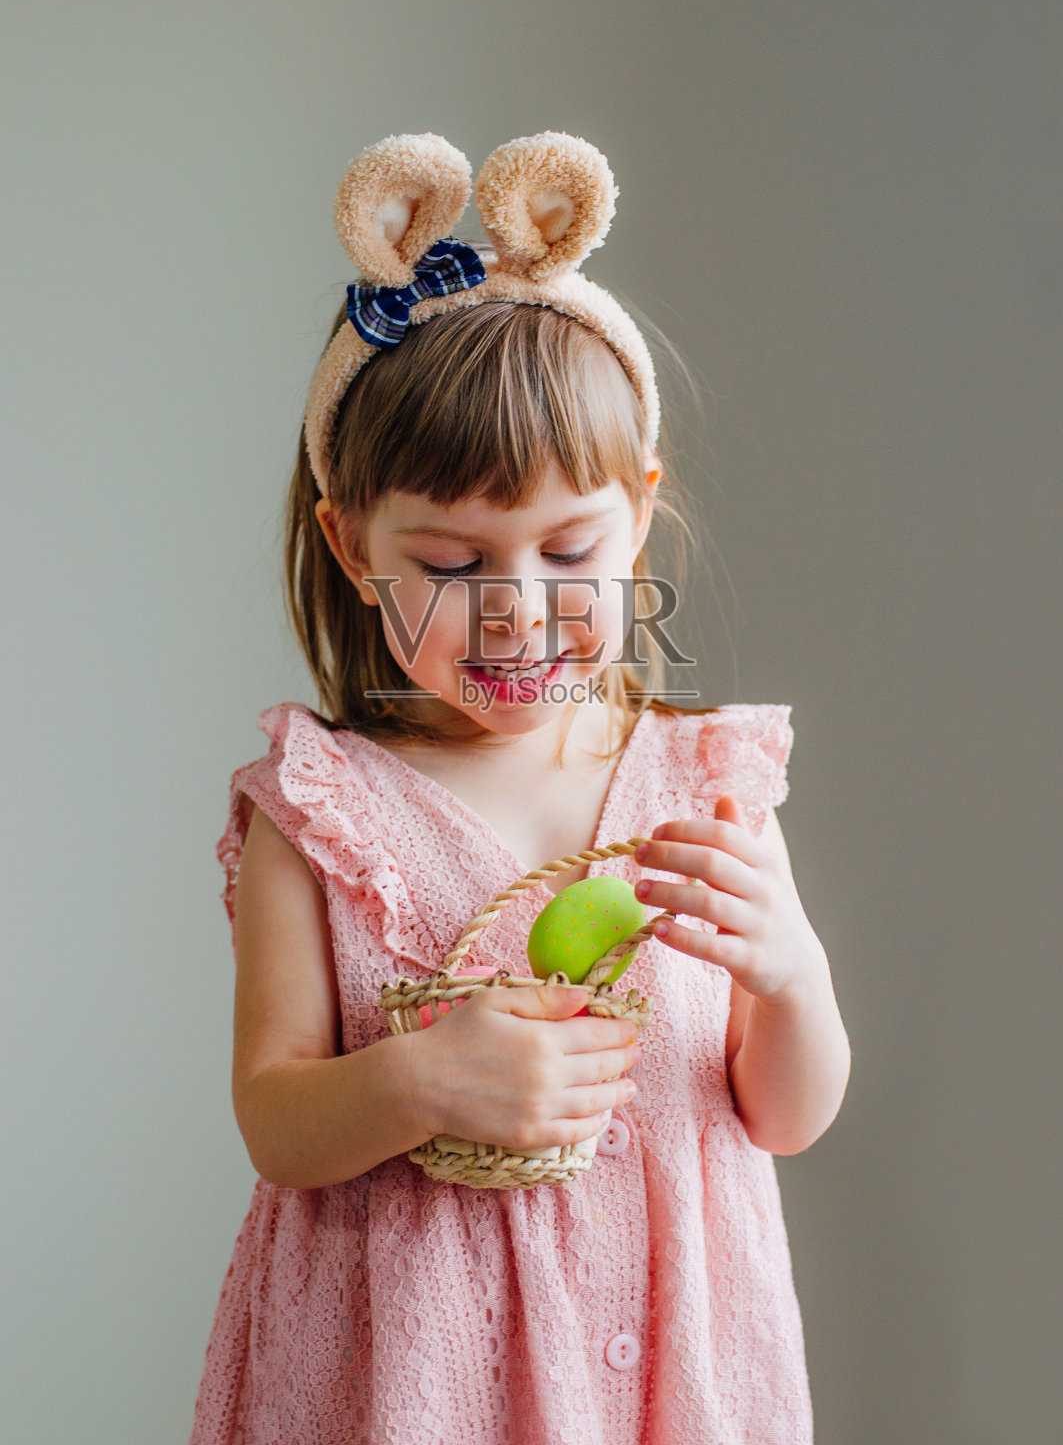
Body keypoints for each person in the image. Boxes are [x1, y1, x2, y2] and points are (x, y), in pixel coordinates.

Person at [189, 132, 850, 1445]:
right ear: (352, 545)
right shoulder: (316, 813)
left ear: (639, 517)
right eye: (448, 561)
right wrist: (420, 1082)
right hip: (410, 1390)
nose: (515, 612)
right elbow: (275, 1112)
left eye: (567, 550)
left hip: (668, 1384)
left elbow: (782, 1111)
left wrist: (794, 978)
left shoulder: (703, 786)